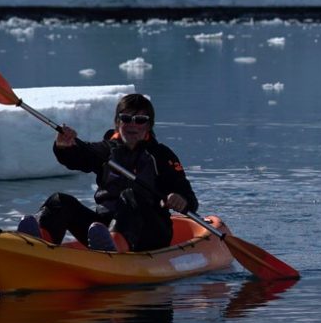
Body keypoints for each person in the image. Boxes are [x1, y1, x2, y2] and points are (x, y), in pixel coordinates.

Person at [17, 93, 198, 252]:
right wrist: (63, 147)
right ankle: (38, 243)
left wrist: (180, 199)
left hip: (149, 232)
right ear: (117, 122)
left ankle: (115, 247)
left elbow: (190, 199)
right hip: (102, 231)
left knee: (130, 195)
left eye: (140, 120)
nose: (132, 125)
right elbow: (77, 157)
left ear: (149, 125)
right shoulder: (106, 150)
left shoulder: (161, 156)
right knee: (60, 201)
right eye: (126, 119)